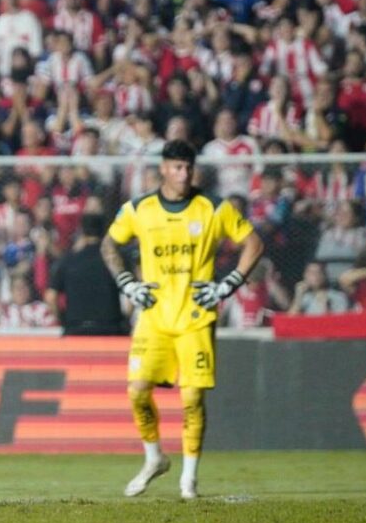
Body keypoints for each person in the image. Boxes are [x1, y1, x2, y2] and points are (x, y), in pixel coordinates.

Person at [101, 140, 264, 500]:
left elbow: (253, 243)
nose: (184, 173)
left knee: (192, 398)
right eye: (177, 167)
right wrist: (127, 283)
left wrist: (228, 285)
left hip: (195, 316)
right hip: (155, 316)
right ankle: (154, 457)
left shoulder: (212, 208)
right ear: (163, 169)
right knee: (137, 392)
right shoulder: (139, 208)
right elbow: (109, 245)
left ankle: (188, 480)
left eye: (189, 167)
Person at [45, 213, 128, 335]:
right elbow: (130, 294)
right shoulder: (115, 260)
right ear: (105, 232)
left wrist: (63, 320)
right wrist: (123, 319)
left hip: (76, 329)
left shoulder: (68, 260)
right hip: (109, 329)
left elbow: (51, 297)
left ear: (82, 232)